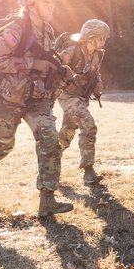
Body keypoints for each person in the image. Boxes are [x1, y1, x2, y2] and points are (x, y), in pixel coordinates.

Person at [0, 0, 76, 218]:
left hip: (36, 99)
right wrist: (33, 64)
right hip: (8, 98)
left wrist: (58, 68)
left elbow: (44, 59)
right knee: (1, 145)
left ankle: (47, 200)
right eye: (46, 2)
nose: (52, 6)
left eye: (54, 2)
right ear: (31, 4)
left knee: (50, 140)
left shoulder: (46, 29)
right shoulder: (16, 29)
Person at [55, 19, 110, 186]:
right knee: (89, 126)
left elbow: (95, 72)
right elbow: (55, 70)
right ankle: (88, 172)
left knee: (66, 135)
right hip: (66, 95)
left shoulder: (96, 54)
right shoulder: (71, 50)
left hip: (79, 97)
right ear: (89, 37)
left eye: (104, 38)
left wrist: (98, 83)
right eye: (100, 38)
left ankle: (49, 164)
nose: (103, 41)